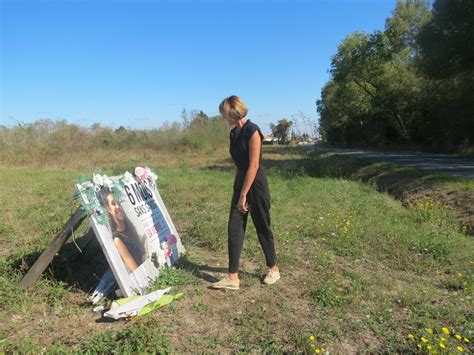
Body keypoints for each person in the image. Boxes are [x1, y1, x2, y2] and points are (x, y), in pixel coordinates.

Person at [212, 95, 280, 290]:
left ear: (232, 112)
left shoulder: (253, 131)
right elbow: (239, 164)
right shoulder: (234, 133)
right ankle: (232, 277)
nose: (223, 118)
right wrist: (238, 189)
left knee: (262, 225)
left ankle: (273, 269)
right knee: (234, 227)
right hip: (241, 182)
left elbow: (254, 165)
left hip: (256, 185)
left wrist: (244, 194)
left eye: (224, 114)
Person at [103, 190, 146, 272]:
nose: (118, 206)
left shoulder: (129, 227)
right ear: (109, 210)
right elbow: (135, 270)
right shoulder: (118, 240)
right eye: (113, 204)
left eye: (118, 203)